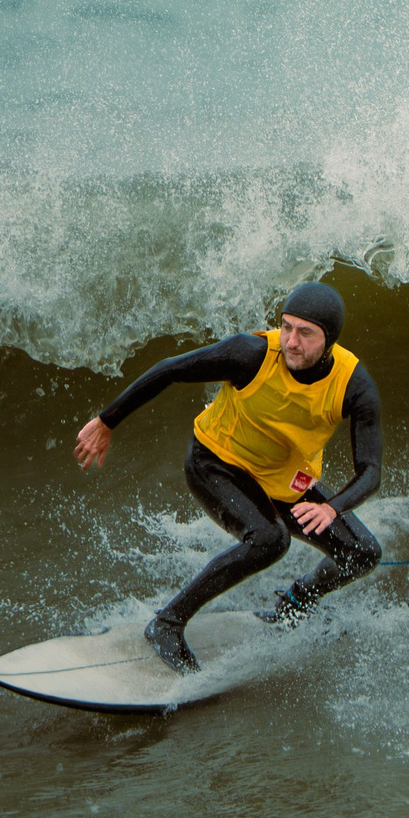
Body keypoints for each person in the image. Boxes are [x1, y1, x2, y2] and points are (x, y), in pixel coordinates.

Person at [73, 280, 383, 672]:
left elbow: (370, 471)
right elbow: (171, 370)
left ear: (329, 340)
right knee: (270, 540)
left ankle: (297, 601)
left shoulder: (354, 385)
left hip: (282, 479)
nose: (291, 342)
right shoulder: (249, 354)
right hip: (216, 462)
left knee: (362, 552)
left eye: (305, 333)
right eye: (286, 327)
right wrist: (107, 421)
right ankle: (167, 624)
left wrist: (331, 509)